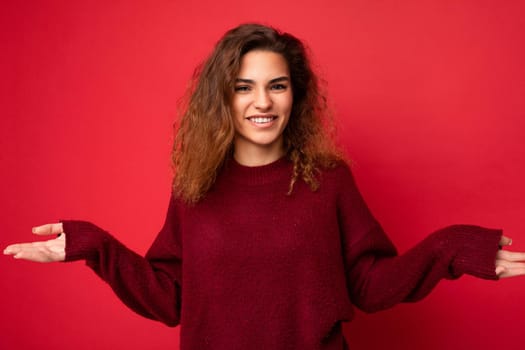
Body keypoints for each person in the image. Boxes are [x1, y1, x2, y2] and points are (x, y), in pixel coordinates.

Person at [4, 23, 525, 349]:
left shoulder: (329, 182)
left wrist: (451, 249)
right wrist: (97, 247)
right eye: (244, 88)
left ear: (295, 96)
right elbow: (171, 301)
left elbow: (369, 286)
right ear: (223, 99)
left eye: (277, 86)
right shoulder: (196, 188)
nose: (263, 102)